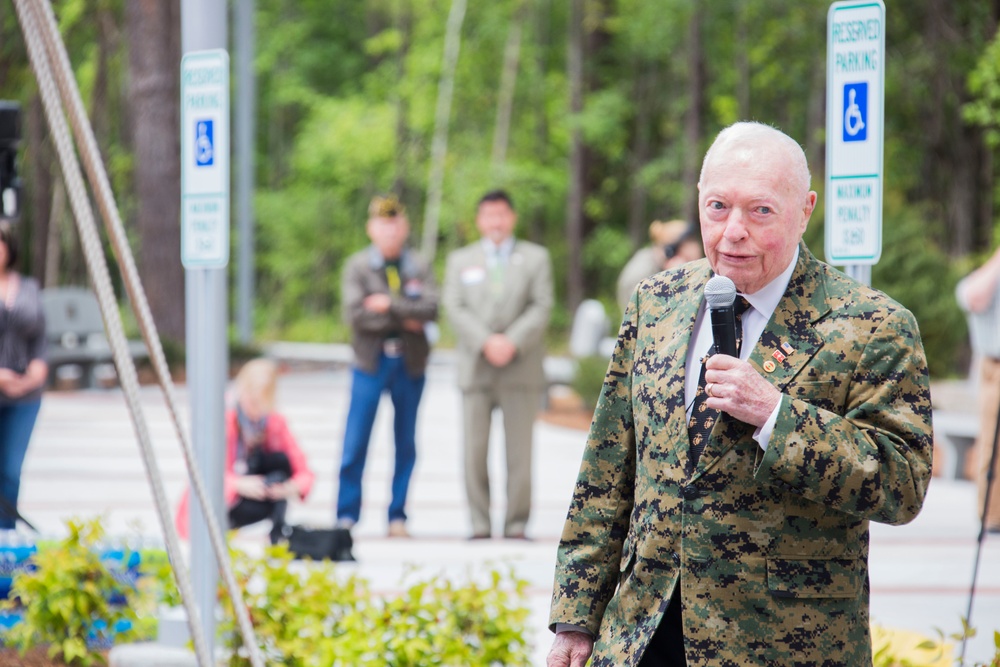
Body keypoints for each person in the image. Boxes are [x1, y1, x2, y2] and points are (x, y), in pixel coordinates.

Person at [547, 122, 934, 667]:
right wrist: (575, 618)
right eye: (717, 206)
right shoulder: (656, 302)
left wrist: (776, 414)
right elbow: (606, 470)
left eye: (761, 211)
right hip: (644, 631)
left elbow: (902, 483)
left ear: (805, 211)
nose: (733, 232)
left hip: (782, 640)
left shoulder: (871, 325)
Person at [443, 190, 553, 540]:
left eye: (502, 214)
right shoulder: (460, 260)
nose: (496, 222)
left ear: (512, 218)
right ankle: (478, 522)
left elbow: (542, 305)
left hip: (520, 367)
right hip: (476, 367)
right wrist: (486, 341)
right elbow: (454, 306)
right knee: (474, 451)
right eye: (489, 215)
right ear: (479, 220)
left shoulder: (535, 258)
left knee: (520, 452)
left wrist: (512, 341)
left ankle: (517, 524)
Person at [335, 194, 438, 538]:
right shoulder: (358, 266)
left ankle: (398, 516)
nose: (390, 231)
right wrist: (406, 315)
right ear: (371, 228)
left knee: (405, 442)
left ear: (404, 227)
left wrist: (388, 306)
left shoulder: (417, 266)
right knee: (356, 440)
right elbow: (356, 315)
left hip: (409, 363)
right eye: (382, 224)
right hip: (370, 361)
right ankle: (346, 514)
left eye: (395, 223)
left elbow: (431, 309)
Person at [175, 358, 314, 542]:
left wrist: (289, 488)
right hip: (220, 496)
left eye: (261, 404)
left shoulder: (273, 422)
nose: (255, 410)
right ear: (241, 391)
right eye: (252, 402)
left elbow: (304, 471)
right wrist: (237, 484)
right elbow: (198, 470)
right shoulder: (220, 416)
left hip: (253, 488)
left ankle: (277, 536)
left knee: (280, 464)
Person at [0, 221, 47, 530]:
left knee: (11, 470)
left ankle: (6, 539)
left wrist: (38, 369)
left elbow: (41, 336)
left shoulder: (29, 287)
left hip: (25, 394)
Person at [956, 244, 1000, 533]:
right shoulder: (987, 278)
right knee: (991, 445)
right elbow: (973, 297)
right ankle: (992, 516)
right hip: (993, 366)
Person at [616, 219, 703, 310]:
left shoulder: (656, 264)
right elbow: (652, 317)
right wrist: (679, 281)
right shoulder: (643, 273)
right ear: (671, 251)